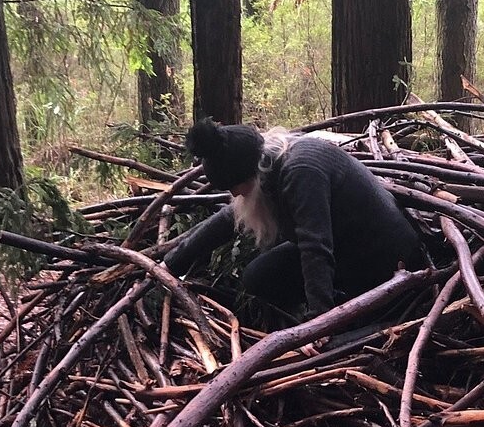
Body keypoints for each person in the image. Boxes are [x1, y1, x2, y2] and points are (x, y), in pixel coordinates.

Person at [164, 119, 424, 319]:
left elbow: (315, 246)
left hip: (385, 262)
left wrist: (319, 321)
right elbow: (226, 219)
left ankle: (345, 311)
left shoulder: (300, 171)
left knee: (273, 275)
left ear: (249, 175)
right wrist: (172, 263)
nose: (234, 195)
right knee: (259, 276)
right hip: (345, 247)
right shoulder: (271, 163)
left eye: (234, 187)